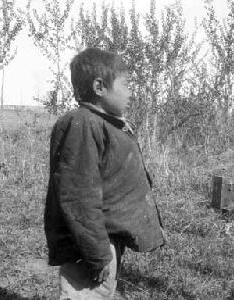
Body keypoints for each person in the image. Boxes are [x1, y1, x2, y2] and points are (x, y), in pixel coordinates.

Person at [44, 48, 165, 299]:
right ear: (100, 87)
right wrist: (98, 255)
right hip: (88, 246)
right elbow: (78, 197)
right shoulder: (83, 124)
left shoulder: (105, 124)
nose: (131, 92)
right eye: (126, 84)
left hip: (102, 239)